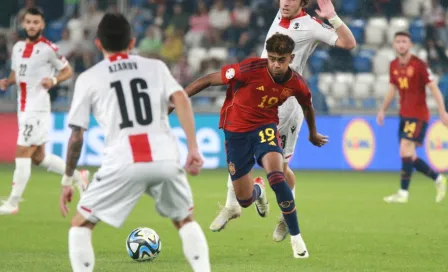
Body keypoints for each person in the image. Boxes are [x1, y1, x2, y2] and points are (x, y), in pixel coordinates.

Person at [59, 13, 211, 272]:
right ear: (131, 42)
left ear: (98, 44)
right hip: (165, 158)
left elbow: (76, 136)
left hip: (122, 160)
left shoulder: (89, 78)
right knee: (185, 220)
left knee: (80, 226)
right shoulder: (156, 67)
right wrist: (194, 148)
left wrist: (67, 179)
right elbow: (182, 100)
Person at [210, 0, 356, 243]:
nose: (285, 2)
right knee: (238, 146)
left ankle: (285, 216)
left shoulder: (311, 26)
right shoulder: (280, 12)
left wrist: (333, 17)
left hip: (286, 104)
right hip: (256, 96)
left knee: (282, 168)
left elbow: (349, 43)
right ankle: (232, 205)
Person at [175, 33, 328, 258]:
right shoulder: (249, 69)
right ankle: (258, 191)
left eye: (281, 60)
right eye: (272, 59)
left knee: (277, 175)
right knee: (245, 200)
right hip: (235, 131)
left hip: (265, 127)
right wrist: (177, 99)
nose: (276, 65)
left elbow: (308, 106)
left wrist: (312, 133)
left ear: (291, 58)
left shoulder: (296, 83)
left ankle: (296, 238)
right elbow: (208, 79)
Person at [0, 7, 88, 215]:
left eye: (35, 22)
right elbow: (17, 73)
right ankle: (78, 176)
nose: (31, 26)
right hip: (23, 107)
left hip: (37, 107)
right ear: (23, 24)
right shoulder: (18, 47)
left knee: (22, 151)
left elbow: (67, 70)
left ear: (42, 25)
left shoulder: (49, 48)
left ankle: (13, 202)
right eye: (28, 22)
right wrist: (7, 82)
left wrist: (54, 79)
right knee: (38, 157)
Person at [377, 31, 448, 204]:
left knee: (405, 149)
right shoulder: (393, 64)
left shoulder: (419, 65)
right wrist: (383, 110)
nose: (401, 44)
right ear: (394, 45)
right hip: (404, 115)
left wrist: (442, 111)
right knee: (409, 155)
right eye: (398, 41)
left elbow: (434, 88)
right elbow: (393, 89)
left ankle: (403, 193)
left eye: (404, 41)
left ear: (410, 45)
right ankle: (438, 178)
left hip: (418, 115)